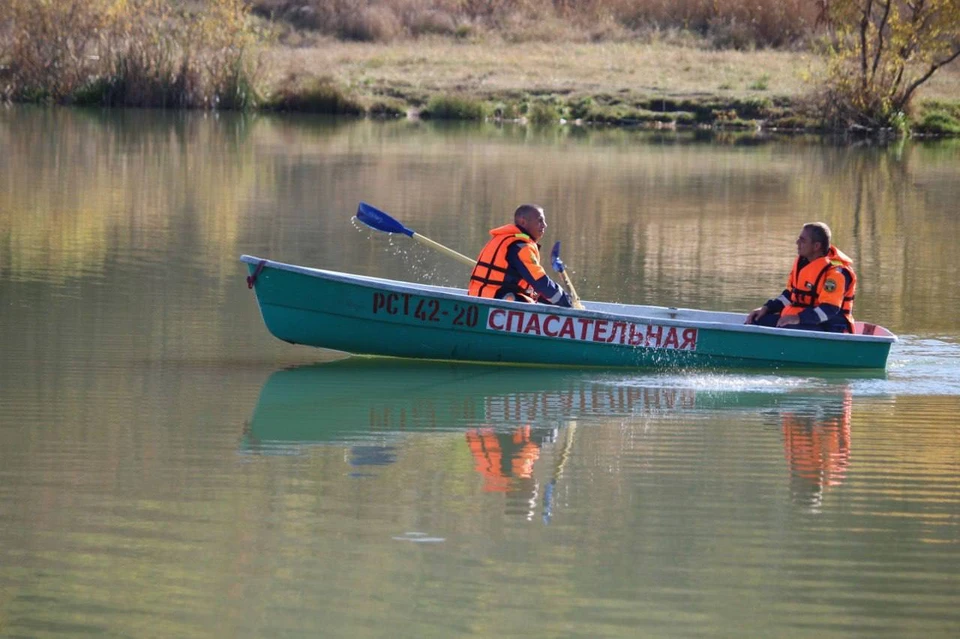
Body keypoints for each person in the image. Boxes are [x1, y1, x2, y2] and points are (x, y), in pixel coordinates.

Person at [745, 222, 857, 333]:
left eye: (802, 240)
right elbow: (790, 295)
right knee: (756, 320)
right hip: (805, 322)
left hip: (831, 328)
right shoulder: (803, 263)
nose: (797, 243)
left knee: (786, 328)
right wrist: (767, 308)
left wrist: (798, 318)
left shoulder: (836, 273)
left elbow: (829, 309)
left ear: (816, 246)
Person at [468, 204, 572, 307]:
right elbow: (540, 282)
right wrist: (565, 302)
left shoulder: (504, 239)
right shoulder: (521, 247)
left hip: (478, 299)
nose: (545, 225)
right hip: (494, 303)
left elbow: (534, 288)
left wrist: (561, 300)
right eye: (540, 220)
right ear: (523, 222)